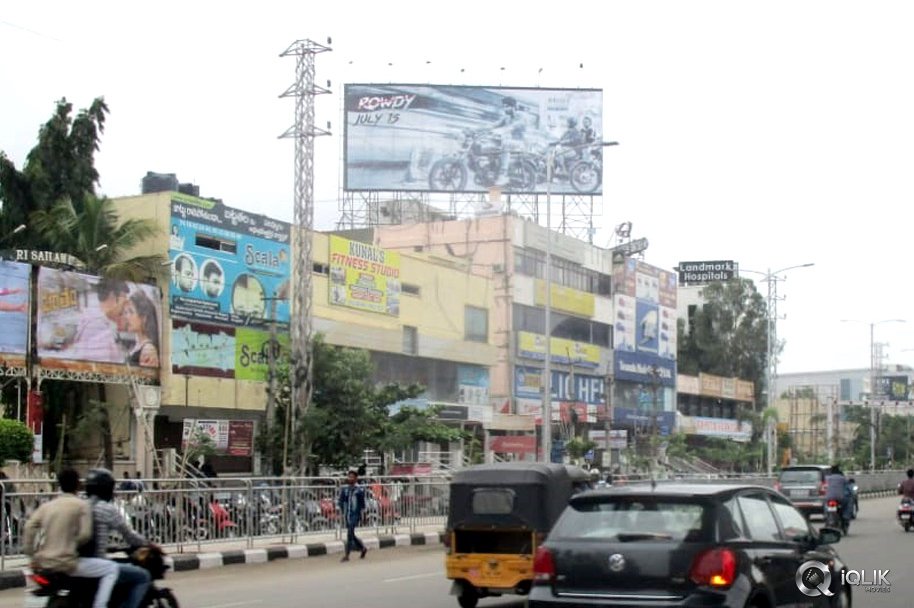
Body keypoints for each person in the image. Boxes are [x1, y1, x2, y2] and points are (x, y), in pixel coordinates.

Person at [23, 469, 119, 608]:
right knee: (111, 568)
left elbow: (29, 527)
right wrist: (71, 544)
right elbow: (85, 535)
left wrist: (32, 555)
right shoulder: (82, 506)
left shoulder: (47, 506)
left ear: (60, 484)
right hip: (68, 563)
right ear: (78, 485)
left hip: (45, 563)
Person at [83, 469, 151, 608]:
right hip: (96, 563)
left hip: (79, 560)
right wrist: (148, 544)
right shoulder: (107, 509)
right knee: (142, 576)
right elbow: (129, 535)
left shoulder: (82, 505)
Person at [71, 279, 129, 363]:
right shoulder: (97, 327)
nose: (125, 306)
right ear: (112, 296)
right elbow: (101, 369)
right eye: (123, 298)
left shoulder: (96, 322)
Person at [492, 96, 528, 187]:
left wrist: (507, 129)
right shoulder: (506, 117)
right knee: (492, 144)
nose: (505, 109)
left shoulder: (521, 115)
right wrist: (480, 129)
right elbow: (495, 124)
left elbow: (517, 124)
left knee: (505, 144)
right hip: (510, 142)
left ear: (513, 107)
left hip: (519, 143)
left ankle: (503, 174)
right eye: (504, 106)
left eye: (507, 106)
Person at [122, 290, 160, 367]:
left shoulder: (148, 349)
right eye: (125, 312)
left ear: (143, 318)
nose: (126, 317)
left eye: (131, 312)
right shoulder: (138, 346)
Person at [338, 470, 368, 562]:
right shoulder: (345, 490)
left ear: (356, 478)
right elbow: (341, 502)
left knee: (349, 533)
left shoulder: (359, 490)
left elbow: (363, 505)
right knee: (351, 534)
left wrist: (364, 516)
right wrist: (341, 511)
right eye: (349, 476)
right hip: (347, 514)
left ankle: (347, 555)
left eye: (352, 477)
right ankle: (363, 548)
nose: (350, 478)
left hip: (356, 514)